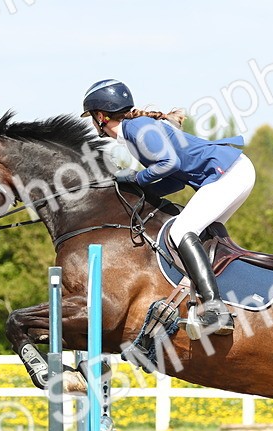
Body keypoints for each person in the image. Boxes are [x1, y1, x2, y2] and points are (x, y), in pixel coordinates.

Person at [81, 79, 255, 335]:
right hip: (231, 172)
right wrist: (138, 192)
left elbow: (169, 163)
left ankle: (216, 309)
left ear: (100, 116)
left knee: (181, 231)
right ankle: (203, 303)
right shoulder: (135, 131)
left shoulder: (137, 128)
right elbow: (174, 181)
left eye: (91, 119)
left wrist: (136, 179)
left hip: (229, 173)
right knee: (199, 236)